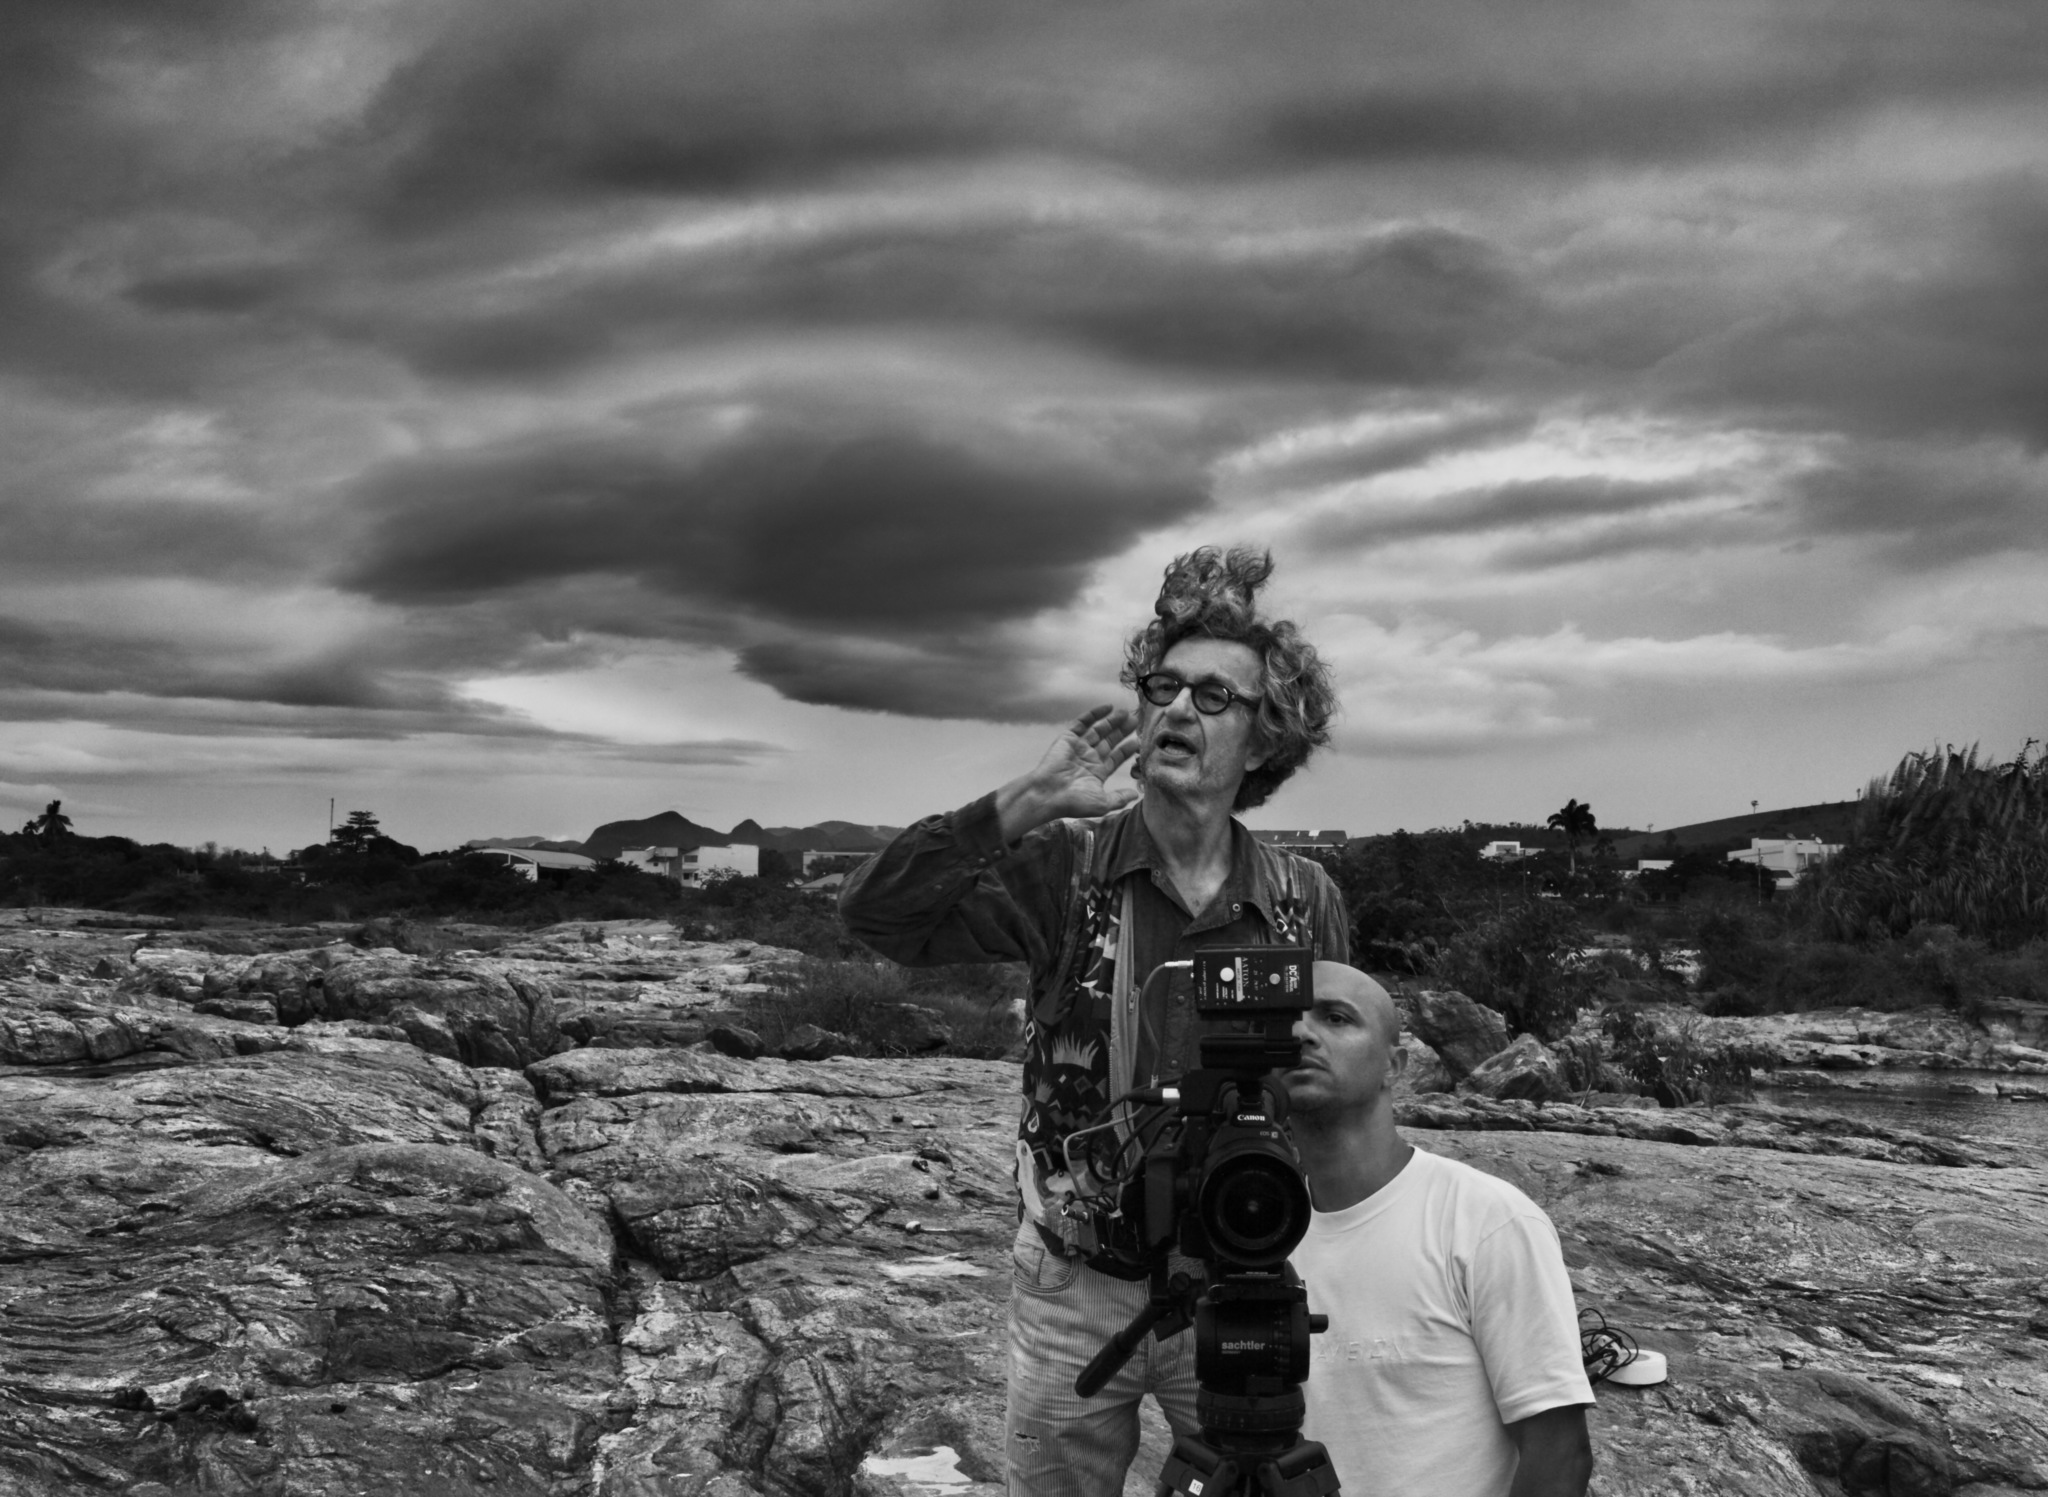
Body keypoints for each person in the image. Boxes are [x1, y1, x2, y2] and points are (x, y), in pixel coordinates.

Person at [840, 546, 1350, 1497]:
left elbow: (1334, 1095)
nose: (1177, 710)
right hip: (1073, 1284)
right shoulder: (1063, 868)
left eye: (1213, 695)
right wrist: (1025, 802)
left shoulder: (1305, 900)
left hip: (1238, 1279)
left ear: (1268, 738)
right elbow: (876, 915)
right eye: (1164, 686)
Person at [1285, 961, 1596, 1497]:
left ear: (1395, 1065)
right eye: (1284, 1020)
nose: (1301, 1033)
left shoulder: (1486, 1220)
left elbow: (1560, 1455)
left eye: (1336, 1018)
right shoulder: (1259, 1231)